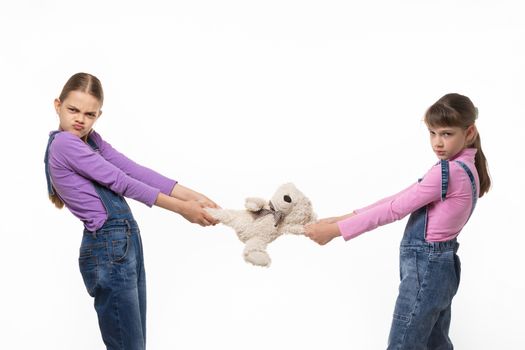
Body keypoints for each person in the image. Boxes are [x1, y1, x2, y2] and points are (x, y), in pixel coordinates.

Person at [44, 72, 219, 350]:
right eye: (73, 110)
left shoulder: (91, 141)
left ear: (99, 115)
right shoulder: (65, 144)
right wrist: (182, 209)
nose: (80, 119)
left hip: (124, 243)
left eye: (90, 114)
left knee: (133, 344)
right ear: (57, 105)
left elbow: (132, 169)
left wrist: (194, 196)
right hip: (108, 245)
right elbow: (120, 181)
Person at [305, 93, 490, 349]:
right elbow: (400, 198)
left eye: (446, 134)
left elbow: (395, 209)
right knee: (436, 343)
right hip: (442, 266)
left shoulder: (448, 172)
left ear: (469, 133)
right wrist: (342, 218)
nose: (437, 142)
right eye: (432, 133)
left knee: (403, 344)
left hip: (427, 265)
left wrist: (335, 231)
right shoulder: (465, 167)